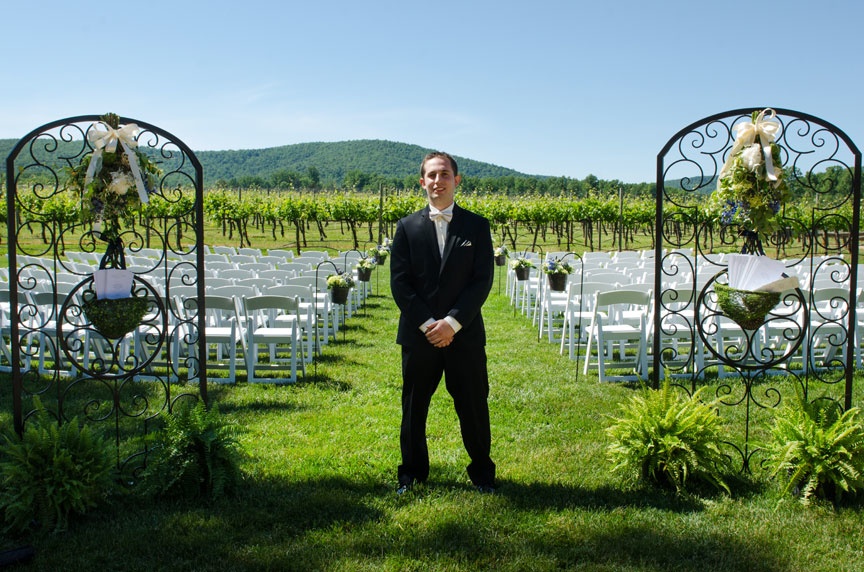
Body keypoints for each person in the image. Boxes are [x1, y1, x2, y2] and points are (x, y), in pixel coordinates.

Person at [390, 151, 496, 494]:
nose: (438, 181)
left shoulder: (477, 226)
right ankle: (411, 473)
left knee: (474, 406)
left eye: (445, 174)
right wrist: (428, 324)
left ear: (456, 180)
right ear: (422, 182)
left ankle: (482, 473)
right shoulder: (406, 227)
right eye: (432, 175)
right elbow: (400, 283)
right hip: (419, 336)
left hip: (464, 334)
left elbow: (482, 280)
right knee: (414, 407)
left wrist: (452, 323)